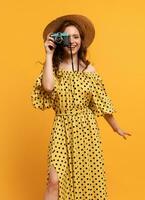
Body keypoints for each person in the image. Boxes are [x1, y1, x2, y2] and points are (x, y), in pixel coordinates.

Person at [31, 14, 132, 200]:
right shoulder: (52, 67)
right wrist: (48, 54)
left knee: (85, 181)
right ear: (59, 40)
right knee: (54, 181)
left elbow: (102, 102)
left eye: (76, 37)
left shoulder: (90, 71)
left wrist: (116, 127)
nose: (72, 41)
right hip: (62, 127)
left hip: (86, 130)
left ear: (82, 40)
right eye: (67, 37)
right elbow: (47, 87)